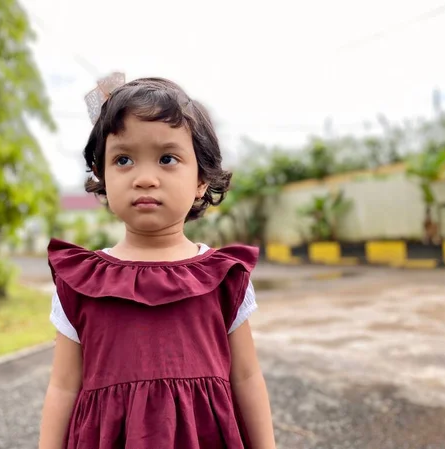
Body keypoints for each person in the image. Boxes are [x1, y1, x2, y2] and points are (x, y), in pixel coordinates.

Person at [38, 73, 276, 449]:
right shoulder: (79, 281)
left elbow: (246, 377)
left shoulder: (224, 277)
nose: (144, 178)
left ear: (201, 179)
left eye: (167, 158)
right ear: (100, 175)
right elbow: (64, 386)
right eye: (124, 159)